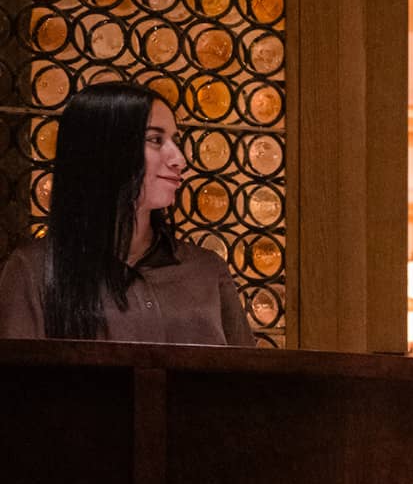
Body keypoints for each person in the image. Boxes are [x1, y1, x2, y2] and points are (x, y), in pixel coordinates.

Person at [0, 82, 253, 345]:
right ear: (103, 150)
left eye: (175, 141)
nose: (179, 159)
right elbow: (19, 371)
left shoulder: (206, 270)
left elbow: (246, 370)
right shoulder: (33, 271)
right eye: (155, 140)